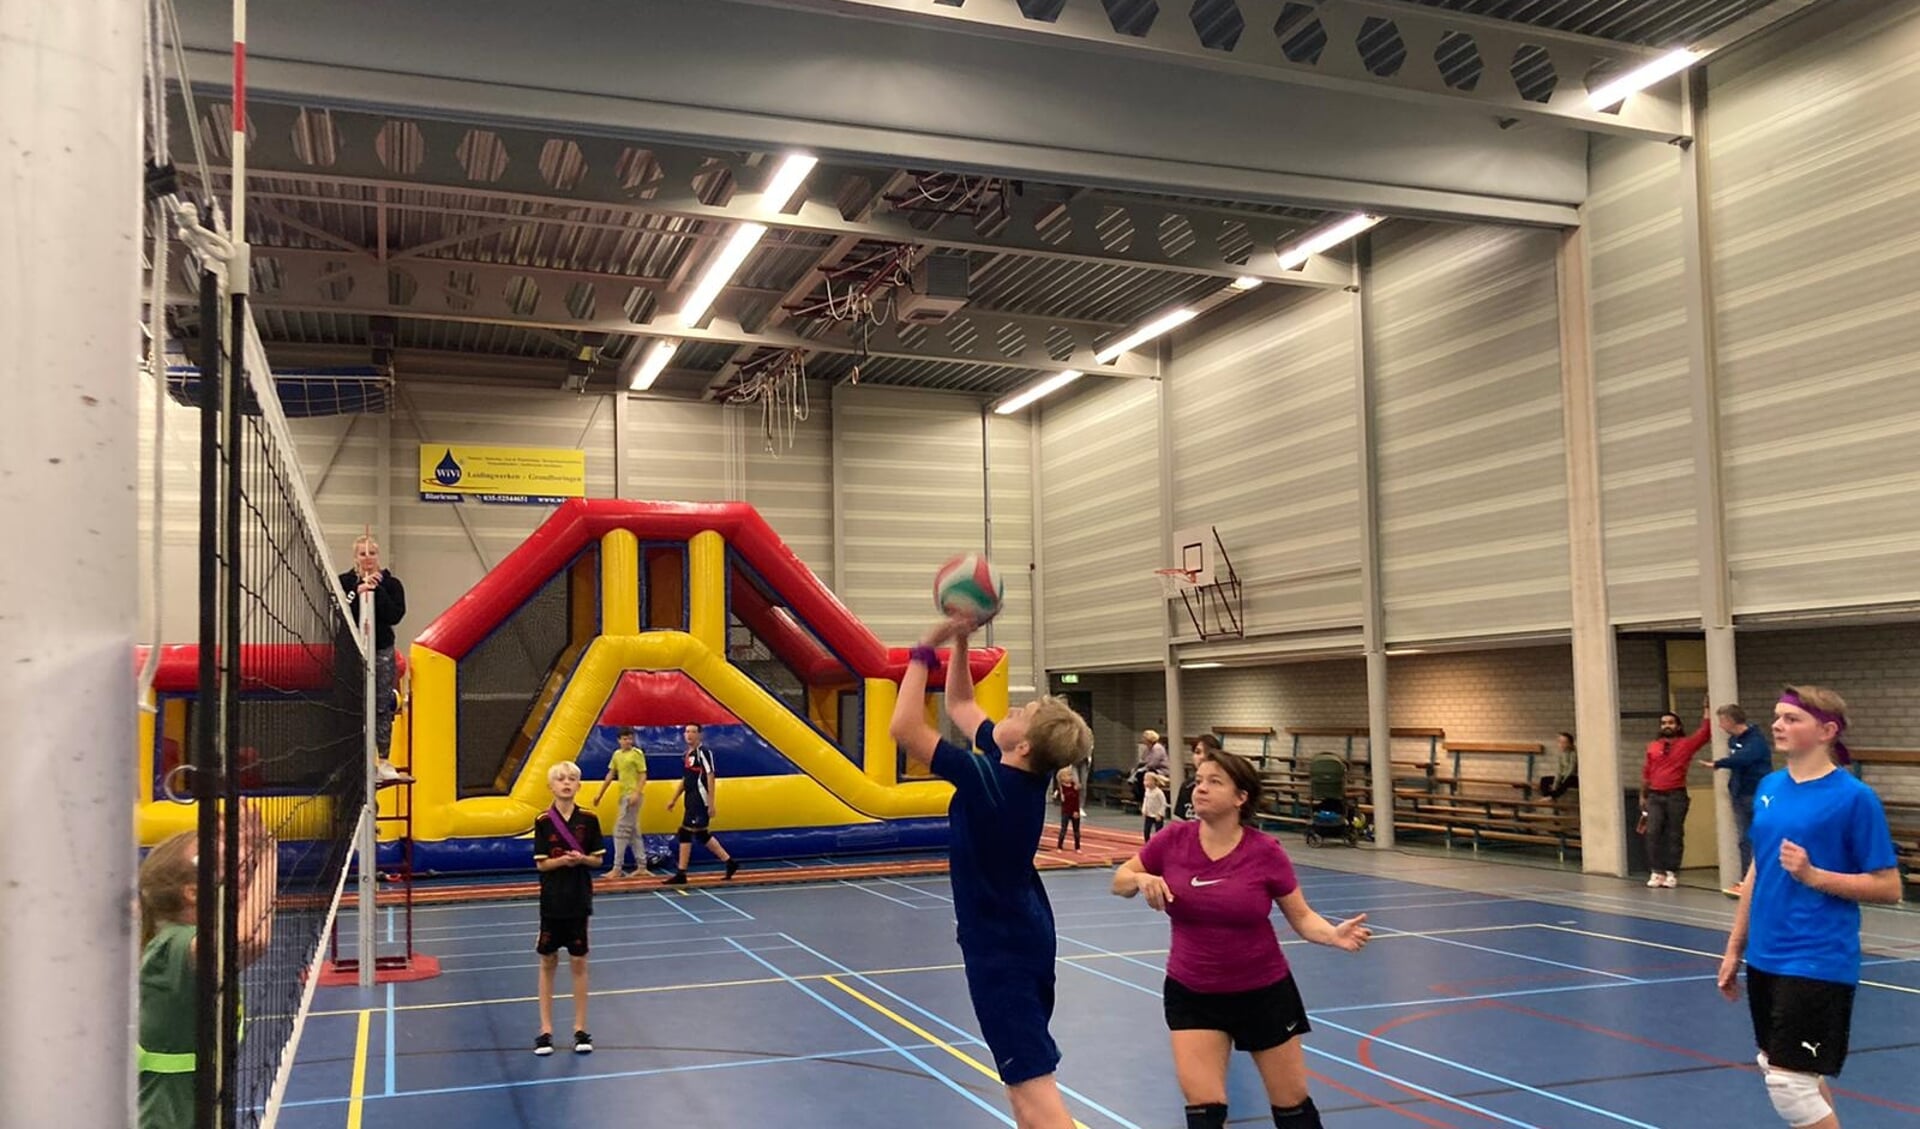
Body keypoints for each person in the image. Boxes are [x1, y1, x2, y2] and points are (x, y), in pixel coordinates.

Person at [891, 613, 1093, 1129]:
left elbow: (905, 729)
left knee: (1032, 1090)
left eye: (1021, 712)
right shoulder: (1010, 775)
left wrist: (923, 648)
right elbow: (960, 703)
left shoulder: (989, 781)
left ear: (1022, 745)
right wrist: (961, 641)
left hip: (1004, 952)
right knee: (1022, 1090)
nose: (1012, 710)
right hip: (1022, 936)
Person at [1111, 750, 1370, 1129]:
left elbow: (1301, 916)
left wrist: (1332, 934)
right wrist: (1139, 879)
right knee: (1204, 1111)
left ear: (1240, 797)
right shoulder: (1173, 839)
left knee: (1293, 1107)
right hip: (1192, 992)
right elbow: (1119, 880)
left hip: (1263, 993)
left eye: (1215, 781)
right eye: (1199, 780)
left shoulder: (1265, 852)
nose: (1200, 788)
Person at [1717, 686, 1901, 1129]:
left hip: (1817, 958)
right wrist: (1734, 946)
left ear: (1826, 730)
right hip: (1766, 955)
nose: (1778, 725)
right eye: (1777, 716)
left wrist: (1815, 876)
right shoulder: (1770, 787)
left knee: (1790, 1086)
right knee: (1792, 1072)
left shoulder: (1854, 798)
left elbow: (1889, 886)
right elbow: (1760, 869)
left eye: (1792, 718)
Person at [137, 814, 275, 1129]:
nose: (238, 867)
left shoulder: (192, 944)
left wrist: (264, 852)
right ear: (192, 893)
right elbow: (247, 938)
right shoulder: (172, 946)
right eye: (217, 861)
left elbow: (255, 937)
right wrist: (267, 853)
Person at [533, 760, 603, 1056]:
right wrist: (561, 861)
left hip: (578, 899)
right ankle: (545, 1030)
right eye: (560, 779)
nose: (566, 783)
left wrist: (582, 859)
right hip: (551, 901)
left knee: (579, 962)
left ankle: (579, 1028)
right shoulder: (542, 821)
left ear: (578, 785)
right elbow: (541, 864)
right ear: (551, 785)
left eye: (571, 779)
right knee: (548, 961)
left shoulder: (589, 819)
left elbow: (598, 860)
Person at [338, 533, 409, 784]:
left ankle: (385, 761)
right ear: (355, 557)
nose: (367, 558)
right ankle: (357, 760)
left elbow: (394, 615)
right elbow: (340, 610)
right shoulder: (344, 581)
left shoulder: (392, 584)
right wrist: (358, 593)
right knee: (353, 706)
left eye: (372, 553)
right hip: (354, 652)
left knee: (382, 705)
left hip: (381, 650)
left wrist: (376, 590)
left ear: (378, 556)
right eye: (362, 553)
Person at [1700, 704, 1775, 888]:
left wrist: (1719, 763)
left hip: (1756, 794)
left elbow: (1744, 758)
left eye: (1721, 721)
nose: (1720, 726)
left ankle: (1763, 879)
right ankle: (1746, 879)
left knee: (1759, 836)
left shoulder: (1755, 740)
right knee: (1744, 839)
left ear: (1729, 720)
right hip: (1740, 794)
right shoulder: (1733, 740)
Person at [1640, 709, 1712, 889]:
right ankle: (1657, 871)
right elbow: (1647, 773)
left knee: (1674, 833)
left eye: (1670, 723)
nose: (1667, 726)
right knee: (1653, 832)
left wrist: (1707, 711)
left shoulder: (1685, 744)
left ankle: (1671, 871)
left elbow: (1704, 734)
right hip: (1655, 795)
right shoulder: (1653, 746)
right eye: (1664, 723)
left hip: (1676, 795)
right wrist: (1643, 795)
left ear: (1678, 726)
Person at [664, 723, 737, 884]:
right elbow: (686, 779)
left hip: (700, 798)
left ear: (700, 735)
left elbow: (710, 776)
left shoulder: (703, 753)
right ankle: (730, 862)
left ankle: (681, 873)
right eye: (687, 731)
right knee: (701, 834)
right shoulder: (687, 754)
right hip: (690, 798)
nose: (689, 735)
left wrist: (711, 802)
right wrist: (674, 799)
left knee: (685, 832)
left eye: (693, 732)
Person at [594, 727, 648, 878]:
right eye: (625, 739)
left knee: (620, 831)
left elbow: (643, 775)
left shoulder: (637, 754)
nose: (628, 741)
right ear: (619, 740)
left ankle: (617, 868)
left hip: (632, 796)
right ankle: (642, 866)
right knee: (633, 832)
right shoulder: (617, 755)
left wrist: (636, 793)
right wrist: (600, 793)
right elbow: (611, 774)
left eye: (630, 738)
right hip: (623, 795)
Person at [1132, 729, 1170, 807]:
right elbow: (1143, 759)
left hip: (1161, 770)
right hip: (1151, 769)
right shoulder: (1148, 748)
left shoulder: (1157, 748)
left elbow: (1153, 763)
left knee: (1142, 774)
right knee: (1138, 773)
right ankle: (1140, 796)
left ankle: (1142, 797)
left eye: (1144, 738)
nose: (1143, 740)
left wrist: (1143, 767)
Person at [1539, 732, 1578, 800]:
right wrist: (1555, 783)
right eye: (1560, 742)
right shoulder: (1560, 754)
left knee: (1567, 781)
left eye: (1564, 742)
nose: (1562, 744)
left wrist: (1562, 780)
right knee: (1544, 779)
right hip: (1563, 776)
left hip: (1573, 777)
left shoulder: (1573, 753)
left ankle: (1553, 796)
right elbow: (1559, 771)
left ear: (1570, 744)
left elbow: (1572, 769)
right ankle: (1547, 795)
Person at [1053, 767, 1082, 851]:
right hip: (1066, 812)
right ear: (1062, 778)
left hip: (1075, 811)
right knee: (1063, 830)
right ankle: (1059, 846)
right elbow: (1056, 798)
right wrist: (1057, 796)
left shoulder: (1074, 786)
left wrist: (1076, 811)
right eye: (1068, 775)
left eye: (1071, 775)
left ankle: (1077, 847)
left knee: (1076, 831)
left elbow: (1076, 800)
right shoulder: (1061, 789)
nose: (1071, 777)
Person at [1141, 772, 1170, 841]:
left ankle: (1159, 843)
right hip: (1149, 814)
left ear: (1154, 781)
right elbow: (1146, 800)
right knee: (1146, 830)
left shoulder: (1158, 792)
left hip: (1157, 815)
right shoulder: (1147, 791)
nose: (1146, 782)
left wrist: (1160, 813)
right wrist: (1144, 809)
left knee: (1158, 831)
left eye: (1148, 780)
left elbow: (1164, 803)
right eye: (1145, 780)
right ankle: (1147, 843)